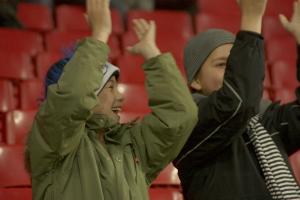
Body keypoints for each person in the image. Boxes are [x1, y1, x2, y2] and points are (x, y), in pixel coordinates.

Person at [24, 0, 198, 199]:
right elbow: (72, 98)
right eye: (110, 88)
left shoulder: (132, 144)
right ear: (89, 91)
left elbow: (181, 116)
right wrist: (99, 34)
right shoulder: (53, 141)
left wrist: (152, 55)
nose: (120, 96)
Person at [173, 0, 300, 199]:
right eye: (223, 64)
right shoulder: (188, 121)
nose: (233, 71)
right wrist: (251, 19)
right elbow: (237, 103)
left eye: (235, 64)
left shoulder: (264, 119)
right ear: (195, 80)